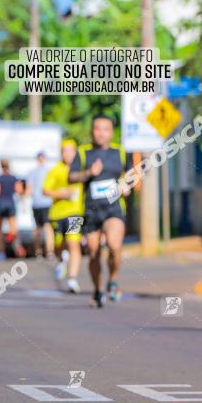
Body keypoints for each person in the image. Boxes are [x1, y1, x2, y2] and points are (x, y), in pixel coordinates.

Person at [68, 115, 131, 307]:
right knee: (94, 252)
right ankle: (97, 290)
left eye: (105, 129)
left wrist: (127, 185)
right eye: (97, 128)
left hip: (113, 209)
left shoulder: (120, 152)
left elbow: (131, 175)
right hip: (91, 211)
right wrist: (89, 173)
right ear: (92, 131)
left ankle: (112, 279)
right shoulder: (83, 152)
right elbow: (71, 177)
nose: (101, 133)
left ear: (111, 132)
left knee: (114, 245)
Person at [41, 139, 84, 293]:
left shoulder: (81, 169)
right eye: (65, 151)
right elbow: (44, 190)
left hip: (75, 213)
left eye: (71, 150)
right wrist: (62, 193)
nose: (68, 154)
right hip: (58, 214)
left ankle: (72, 279)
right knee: (60, 245)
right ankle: (63, 260)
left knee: (74, 244)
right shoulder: (56, 170)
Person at [0, 158, 24, 260]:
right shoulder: (13, 178)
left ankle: (1, 253)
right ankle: (16, 247)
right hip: (10, 204)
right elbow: (19, 190)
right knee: (13, 229)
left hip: (1, 204)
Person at [25, 151, 54, 259]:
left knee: (41, 227)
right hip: (44, 202)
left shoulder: (34, 172)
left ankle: (41, 252)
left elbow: (29, 188)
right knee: (45, 227)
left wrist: (24, 200)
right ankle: (46, 252)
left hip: (41, 202)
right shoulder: (48, 171)